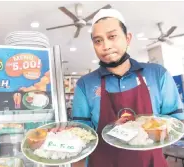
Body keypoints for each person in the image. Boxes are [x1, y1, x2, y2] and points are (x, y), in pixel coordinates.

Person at [72, 8, 184, 167]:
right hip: (102, 162)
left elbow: (177, 122)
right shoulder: (85, 84)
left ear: (128, 38)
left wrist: (145, 125)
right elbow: (82, 134)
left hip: (150, 162)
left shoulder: (157, 74)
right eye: (98, 40)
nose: (106, 46)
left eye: (112, 37)